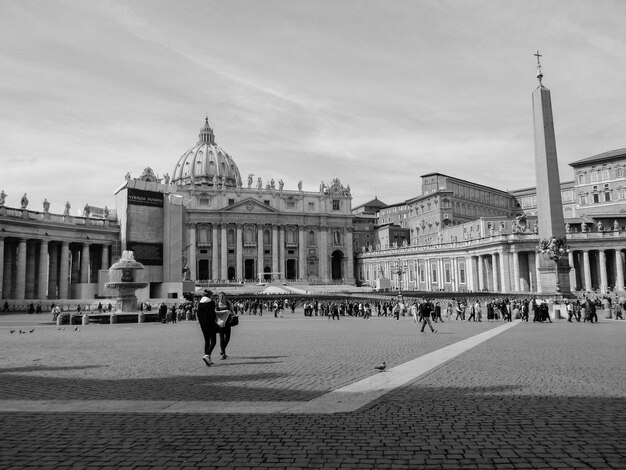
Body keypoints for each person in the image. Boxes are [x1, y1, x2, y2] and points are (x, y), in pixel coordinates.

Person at [197, 289, 218, 366]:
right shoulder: (211, 303)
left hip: (203, 325)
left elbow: (198, 315)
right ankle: (207, 355)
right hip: (210, 324)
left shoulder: (200, 303)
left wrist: (201, 323)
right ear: (209, 295)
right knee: (213, 341)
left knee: (207, 341)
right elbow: (212, 315)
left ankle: (208, 360)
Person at [216, 293, 232, 360]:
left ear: (225, 297)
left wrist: (230, 312)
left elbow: (231, 311)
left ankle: (222, 350)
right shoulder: (217, 304)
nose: (221, 297)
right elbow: (215, 312)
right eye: (220, 296)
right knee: (222, 338)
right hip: (221, 323)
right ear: (218, 297)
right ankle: (223, 353)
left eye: (222, 296)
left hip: (228, 322)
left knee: (228, 338)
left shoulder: (228, 303)